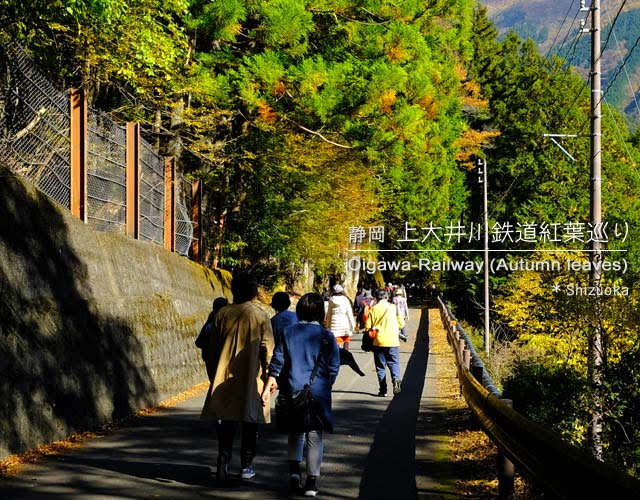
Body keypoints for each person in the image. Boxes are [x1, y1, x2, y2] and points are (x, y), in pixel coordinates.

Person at [261, 293, 340, 497]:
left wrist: (272, 381)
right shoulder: (326, 336)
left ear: (299, 311)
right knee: (315, 435)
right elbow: (334, 366)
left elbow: (278, 360)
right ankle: (311, 482)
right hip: (318, 392)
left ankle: (294, 473)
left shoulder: (288, 333)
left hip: (292, 389)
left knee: (296, 432)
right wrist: (326, 384)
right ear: (320, 312)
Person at [200, 273, 275, 482]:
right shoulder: (260, 316)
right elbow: (267, 349)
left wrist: (214, 371)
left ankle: (223, 462)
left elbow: (212, 348)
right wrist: (270, 376)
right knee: (251, 421)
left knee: (227, 421)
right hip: (252, 376)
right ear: (254, 292)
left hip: (224, 375)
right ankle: (246, 465)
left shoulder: (222, 314)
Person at [365, 289, 405, 397]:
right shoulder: (394, 308)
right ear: (386, 297)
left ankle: (383, 390)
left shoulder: (373, 309)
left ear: (376, 298)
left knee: (380, 366)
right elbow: (401, 324)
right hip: (393, 341)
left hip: (378, 341)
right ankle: (396, 380)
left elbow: (367, 326)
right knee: (394, 363)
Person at [195, 297, 230, 381]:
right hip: (218, 360)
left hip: (210, 359)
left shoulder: (211, 319)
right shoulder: (217, 323)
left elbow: (199, 342)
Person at [324, 284, 356, 350]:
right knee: (346, 341)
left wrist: (327, 325)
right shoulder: (345, 300)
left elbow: (329, 314)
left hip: (334, 326)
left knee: (336, 343)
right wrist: (353, 325)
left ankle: (337, 356)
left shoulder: (331, 300)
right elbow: (349, 313)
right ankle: (345, 355)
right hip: (345, 324)